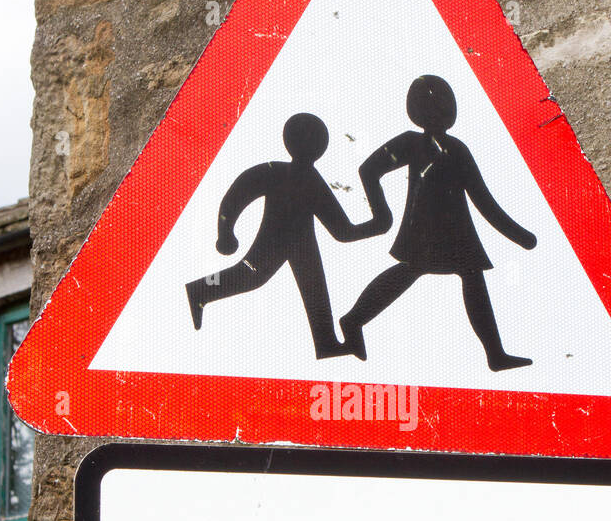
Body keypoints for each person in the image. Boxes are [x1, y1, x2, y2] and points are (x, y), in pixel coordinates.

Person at [339, 75, 537, 370]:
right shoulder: (413, 143)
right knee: (432, 273)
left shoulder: (456, 149)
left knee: (462, 276)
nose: (441, 115)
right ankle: (353, 320)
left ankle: (495, 355)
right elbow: (368, 170)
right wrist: (381, 214)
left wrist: (518, 234)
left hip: (454, 231)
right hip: (427, 229)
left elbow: (482, 199)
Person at [185, 113, 389, 358]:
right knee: (251, 276)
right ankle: (200, 290)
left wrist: (226, 231)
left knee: (313, 287)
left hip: (301, 244)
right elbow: (239, 193)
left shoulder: (286, 174)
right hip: (276, 242)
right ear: (320, 147)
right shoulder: (295, 177)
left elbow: (238, 193)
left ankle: (326, 342)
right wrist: (225, 232)